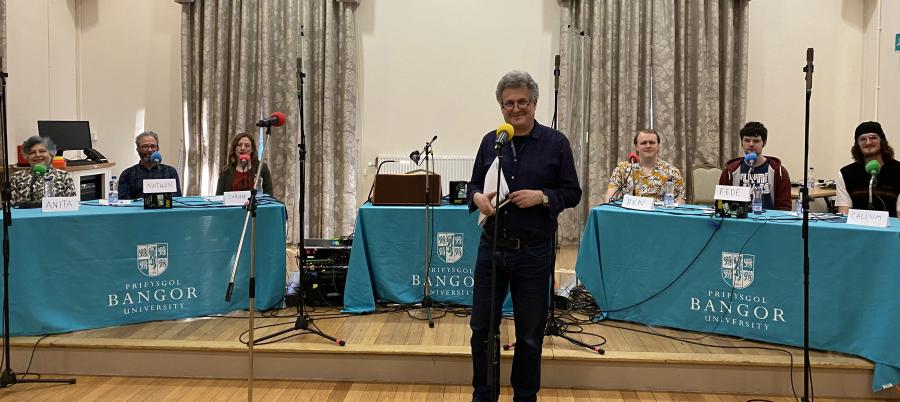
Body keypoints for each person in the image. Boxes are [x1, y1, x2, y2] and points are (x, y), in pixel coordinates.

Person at [467, 70, 581, 402]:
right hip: (491, 249)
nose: (515, 109)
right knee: (481, 332)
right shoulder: (492, 141)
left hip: (533, 253)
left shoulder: (555, 143)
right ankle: (483, 395)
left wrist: (542, 196)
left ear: (534, 103)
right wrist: (477, 199)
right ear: (501, 107)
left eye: (522, 103)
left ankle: (524, 397)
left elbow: (572, 193)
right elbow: (474, 185)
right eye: (508, 104)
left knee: (530, 336)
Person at [718, 121, 792, 211]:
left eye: (756, 141)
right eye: (747, 140)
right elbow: (720, 204)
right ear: (741, 142)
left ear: (764, 143)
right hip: (739, 222)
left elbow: (784, 208)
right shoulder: (730, 171)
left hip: (768, 222)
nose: (751, 144)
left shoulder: (779, 172)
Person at [835, 121, 900, 217]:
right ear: (857, 144)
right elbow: (844, 213)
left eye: (873, 138)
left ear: (882, 141)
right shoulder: (846, 173)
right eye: (862, 139)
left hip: (891, 230)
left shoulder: (898, 171)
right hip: (857, 230)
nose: (868, 142)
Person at [605, 129, 685, 204]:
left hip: (660, 216)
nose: (648, 146)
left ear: (658, 145)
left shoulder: (672, 171)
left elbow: (680, 200)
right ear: (636, 146)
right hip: (629, 216)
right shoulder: (622, 169)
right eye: (643, 143)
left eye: (652, 142)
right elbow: (610, 195)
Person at [9, 136, 76, 206]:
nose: (37, 155)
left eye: (42, 151)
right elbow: (12, 208)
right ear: (27, 156)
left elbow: (72, 206)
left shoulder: (64, 176)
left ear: (51, 154)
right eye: (32, 152)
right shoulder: (17, 177)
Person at [118, 131, 182, 199]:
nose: (149, 150)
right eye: (145, 146)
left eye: (153, 146)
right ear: (138, 149)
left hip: (164, 209)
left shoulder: (170, 172)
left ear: (157, 148)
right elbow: (123, 202)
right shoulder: (127, 174)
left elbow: (177, 198)